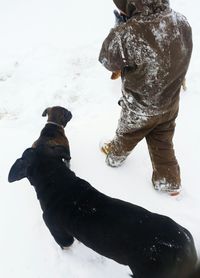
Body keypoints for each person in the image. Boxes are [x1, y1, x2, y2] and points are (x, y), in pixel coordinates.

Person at [99, 0, 193, 195]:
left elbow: (107, 60)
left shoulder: (129, 33)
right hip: (169, 103)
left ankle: (114, 157)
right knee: (162, 140)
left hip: (139, 108)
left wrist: (119, 29)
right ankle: (168, 182)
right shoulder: (181, 22)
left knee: (127, 135)